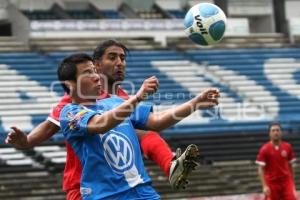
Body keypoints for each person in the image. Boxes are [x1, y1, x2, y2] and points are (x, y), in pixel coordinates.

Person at [5, 40, 201, 199]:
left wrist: (197, 101)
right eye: (112, 57)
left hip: (129, 186)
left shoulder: (120, 99)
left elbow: (155, 122)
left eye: (123, 58)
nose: (120, 63)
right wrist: (27, 141)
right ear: (97, 65)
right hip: (85, 187)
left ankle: (171, 166)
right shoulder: (75, 102)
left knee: (142, 130)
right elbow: (50, 127)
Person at [57, 53, 219, 199]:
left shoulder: (116, 102)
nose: (96, 76)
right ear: (70, 84)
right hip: (106, 196)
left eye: (94, 70)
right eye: (87, 73)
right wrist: (138, 97)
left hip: (143, 192)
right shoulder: (69, 113)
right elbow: (101, 124)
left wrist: (194, 103)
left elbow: (157, 122)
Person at [255, 122, 297, 200]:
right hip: (271, 183)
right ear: (269, 133)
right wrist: (264, 186)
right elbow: (260, 169)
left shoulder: (288, 147)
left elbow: (291, 166)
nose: (276, 132)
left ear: (281, 132)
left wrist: (292, 183)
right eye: (273, 131)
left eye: (277, 130)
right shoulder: (264, 149)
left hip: (286, 182)